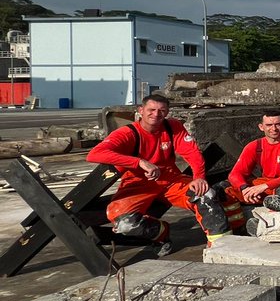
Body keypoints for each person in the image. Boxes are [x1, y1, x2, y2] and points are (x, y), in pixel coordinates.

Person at [87, 93, 230, 251]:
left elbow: (193, 153)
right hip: (138, 185)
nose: (156, 114)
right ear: (141, 110)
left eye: (161, 110)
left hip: (170, 180)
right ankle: (161, 233)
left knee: (205, 194)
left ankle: (221, 246)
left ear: (167, 112)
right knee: (125, 224)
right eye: (151, 110)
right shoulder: (128, 133)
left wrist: (199, 177)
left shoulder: (172, 126)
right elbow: (94, 154)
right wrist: (139, 162)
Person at [226, 110, 280, 210]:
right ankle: (236, 219)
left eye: (278, 124)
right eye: (269, 125)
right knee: (225, 190)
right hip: (263, 186)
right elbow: (235, 174)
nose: (274, 129)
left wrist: (265, 186)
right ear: (261, 127)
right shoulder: (254, 146)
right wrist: (245, 189)